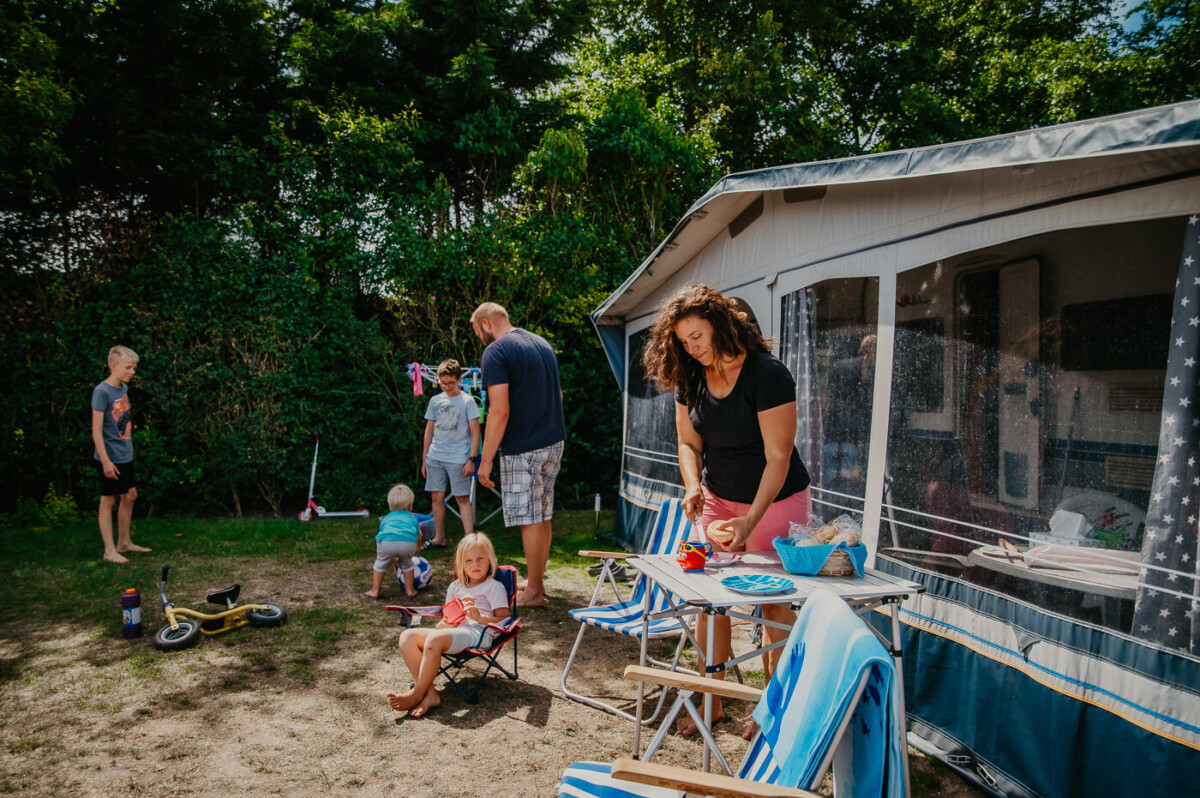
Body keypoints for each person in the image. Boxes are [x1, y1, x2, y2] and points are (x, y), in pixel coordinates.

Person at [642, 284, 812, 738]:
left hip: (775, 500)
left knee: (774, 606)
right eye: (683, 341)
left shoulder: (767, 374)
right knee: (708, 601)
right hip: (717, 497)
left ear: (720, 325)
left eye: (697, 336)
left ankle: (774, 711)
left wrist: (750, 521)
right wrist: (693, 485)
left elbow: (779, 457)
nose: (691, 348)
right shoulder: (690, 376)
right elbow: (687, 442)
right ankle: (711, 701)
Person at [470, 302, 565, 608]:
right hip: (553, 440)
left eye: (478, 332)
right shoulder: (541, 344)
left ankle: (534, 592)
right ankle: (537, 579)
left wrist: (485, 460)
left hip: (524, 446)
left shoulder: (496, 351)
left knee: (529, 518)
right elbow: (558, 395)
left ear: (486, 323)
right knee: (542, 514)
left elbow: (499, 410)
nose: (481, 339)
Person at [386, 532, 510, 718]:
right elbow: (448, 618)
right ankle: (430, 694)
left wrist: (480, 617)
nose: (475, 564)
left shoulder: (493, 586)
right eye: (468, 560)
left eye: (480, 559)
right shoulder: (455, 587)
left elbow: (504, 619)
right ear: (460, 564)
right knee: (407, 637)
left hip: (479, 633)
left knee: (435, 639)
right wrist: (445, 623)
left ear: (490, 560)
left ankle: (417, 694)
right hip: (454, 632)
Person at [91, 345, 151, 564]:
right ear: (113, 366)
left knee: (130, 495)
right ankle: (109, 551)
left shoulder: (122, 389)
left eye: (134, 368)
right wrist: (105, 461)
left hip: (125, 453)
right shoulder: (102, 392)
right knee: (108, 500)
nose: (132, 372)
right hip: (110, 456)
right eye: (128, 367)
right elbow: (96, 430)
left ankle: (124, 543)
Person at [421, 359, 481, 548]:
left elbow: (476, 432)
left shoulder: (467, 401)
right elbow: (429, 432)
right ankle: (440, 538)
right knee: (436, 498)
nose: (446, 386)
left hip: (458, 458)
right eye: (443, 383)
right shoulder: (435, 401)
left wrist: (472, 459)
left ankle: (470, 542)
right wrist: (424, 458)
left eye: (451, 383)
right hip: (435, 457)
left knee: (462, 497)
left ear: (459, 380)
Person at [823, 334, 876, 497]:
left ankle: (835, 503)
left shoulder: (842, 367)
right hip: (847, 436)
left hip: (837, 435)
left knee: (838, 478)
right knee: (850, 478)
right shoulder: (851, 369)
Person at [364, 484, 423, 598]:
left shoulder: (386, 518)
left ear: (390, 505)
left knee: (380, 564)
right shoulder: (412, 518)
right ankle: (410, 590)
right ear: (410, 506)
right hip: (408, 544)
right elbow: (419, 535)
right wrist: (418, 547)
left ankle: (375, 591)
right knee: (407, 564)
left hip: (387, 543)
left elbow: (383, 531)